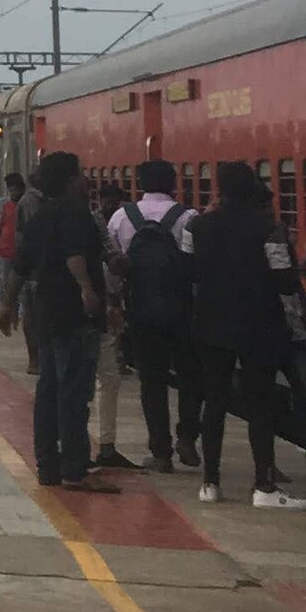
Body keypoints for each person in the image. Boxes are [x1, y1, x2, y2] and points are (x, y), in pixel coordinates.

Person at [185, 162, 306, 511]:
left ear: (219, 188)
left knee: (215, 402)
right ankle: (263, 485)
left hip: (210, 323)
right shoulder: (269, 228)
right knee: (260, 404)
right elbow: (284, 280)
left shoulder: (197, 225)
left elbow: (187, 270)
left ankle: (210, 482)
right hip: (259, 325)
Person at [10, 149, 112, 493]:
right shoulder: (75, 213)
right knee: (74, 393)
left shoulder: (39, 216)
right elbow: (74, 254)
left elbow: (20, 266)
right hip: (73, 315)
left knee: (48, 391)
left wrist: (6, 306)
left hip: (46, 314)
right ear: (71, 181)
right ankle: (74, 469)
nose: (85, 179)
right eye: (80, 174)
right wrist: (87, 290)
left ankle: (48, 467)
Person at [106, 160, 198, 473]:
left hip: (142, 310)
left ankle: (160, 452)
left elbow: (113, 269)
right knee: (190, 376)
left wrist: (115, 304)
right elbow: (195, 267)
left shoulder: (122, 217)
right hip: (183, 309)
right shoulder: (188, 216)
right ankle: (187, 434)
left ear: (140, 183)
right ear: (174, 183)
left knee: (152, 381)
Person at [0, 171, 28, 338]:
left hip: (21, 252)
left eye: (15, 190)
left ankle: (18, 316)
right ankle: (7, 314)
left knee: (20, 286)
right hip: (6, 250)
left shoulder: (26, 205)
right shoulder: (5, 205)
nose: (12, 194)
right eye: (10, 190)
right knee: (5, 282)